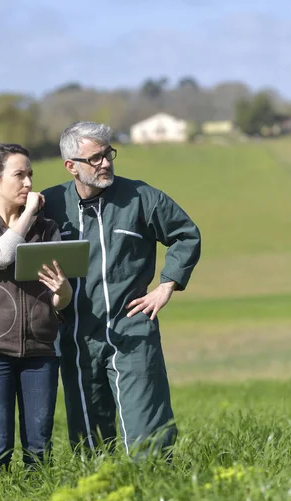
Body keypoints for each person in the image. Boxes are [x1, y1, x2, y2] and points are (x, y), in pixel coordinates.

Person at [43, 121, 201, 457]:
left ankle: (155, 493)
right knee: (89, 442)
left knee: (148, 436)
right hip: (76, 337)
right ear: (71, 166)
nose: (106, 163)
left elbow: (186, 235)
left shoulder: (141, 197)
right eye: (95, 158)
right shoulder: (51, 204)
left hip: (132, 330)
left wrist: (166, 286)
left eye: (108, 154)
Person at [0, 143, 72, 477]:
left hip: (41, 353)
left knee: (39, 452)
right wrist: (25, 218)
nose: (28, 184)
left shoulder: (48, 231)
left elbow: (60, 300)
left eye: (30, 175)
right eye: (19, 175)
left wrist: (63, 291)